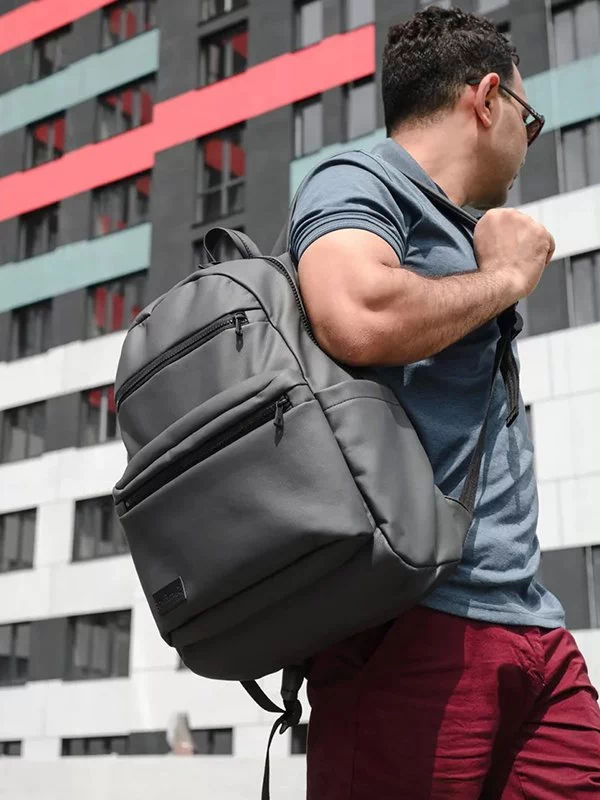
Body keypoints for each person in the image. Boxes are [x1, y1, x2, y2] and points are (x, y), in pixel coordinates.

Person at [289, 6, 600, 799]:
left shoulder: (466, 231)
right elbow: (354, 312)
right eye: (530, 120)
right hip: (412, 627)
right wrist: (506, 279)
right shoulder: (358, 179)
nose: (529, 141)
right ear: (488, 99)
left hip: (530, 625)